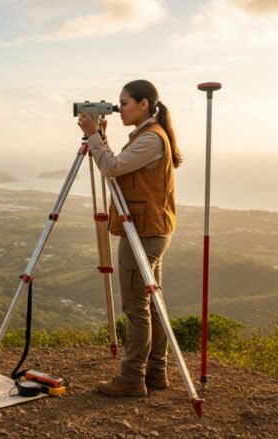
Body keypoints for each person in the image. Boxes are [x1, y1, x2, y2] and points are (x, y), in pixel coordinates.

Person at [77, 79, 182, 397]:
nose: (119, 109)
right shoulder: (147, 136)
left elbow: (111, 167)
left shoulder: (150, 139)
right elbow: (119, 167)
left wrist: (93, 136)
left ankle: (132, 378)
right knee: (152, 302)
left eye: (124, 103)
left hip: (144, 232)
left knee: (137, 307)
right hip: (151, 229)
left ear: (144, 104)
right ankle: (156, 372)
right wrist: (101, 137)